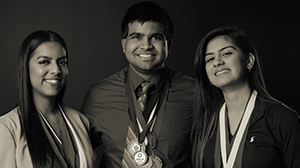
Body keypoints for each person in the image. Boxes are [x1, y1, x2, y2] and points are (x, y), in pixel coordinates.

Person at [81, 1, 195, 168]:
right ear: (123, 44)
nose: (146, 46)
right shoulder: (98, 95)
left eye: (156, 37)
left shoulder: (195, 93)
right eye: (136, 37)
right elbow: (78, 153)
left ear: (168, 45)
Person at [191, 26, 300, 168]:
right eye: (210, 59)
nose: (217, 62)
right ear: (208, 76)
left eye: (226, 53)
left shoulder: (282, 119)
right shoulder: (206, 123)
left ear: (249, 61)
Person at [0, 30, 97, 168]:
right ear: (26, 67)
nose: (56, 70)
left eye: (62, 62)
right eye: (44, 62)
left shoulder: (81, 122)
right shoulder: (7, 129)